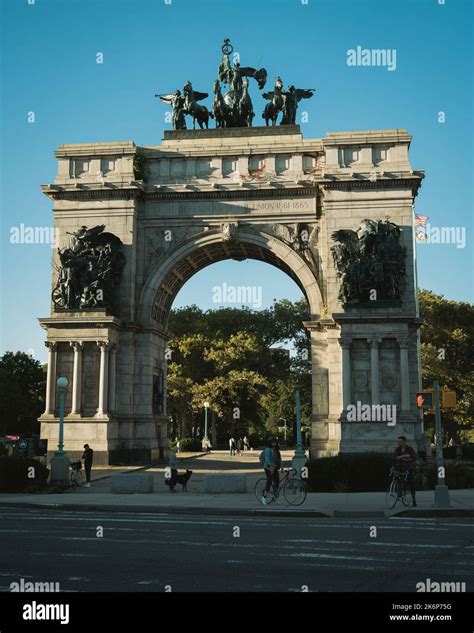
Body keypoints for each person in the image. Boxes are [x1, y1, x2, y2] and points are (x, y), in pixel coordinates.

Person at [394, 436, 417, 507]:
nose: (399, 443)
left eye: (400, 441)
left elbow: (414, 457)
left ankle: (413, 499)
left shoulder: (409, 448)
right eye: (398, 441)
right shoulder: (397, 449)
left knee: (411, 482)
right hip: (399, 468)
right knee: (397, 479)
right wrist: (404, 455)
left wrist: (407, 459)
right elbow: (395, 457)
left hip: (408, 468)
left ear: (404, 441)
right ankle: (399, 493)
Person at [260, 437, 283, 505]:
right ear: (270, 443)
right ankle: (264, 497)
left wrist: (281, 467)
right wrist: (271, 467)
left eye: (275, 442)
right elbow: (267, 460)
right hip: (268, 467)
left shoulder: (276, 450)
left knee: (277, 481)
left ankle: (275, 497)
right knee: (269, 480)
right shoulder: (268, 449)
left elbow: (279, 459)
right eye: (272, 442)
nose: (274, 443)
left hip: (275, 467)